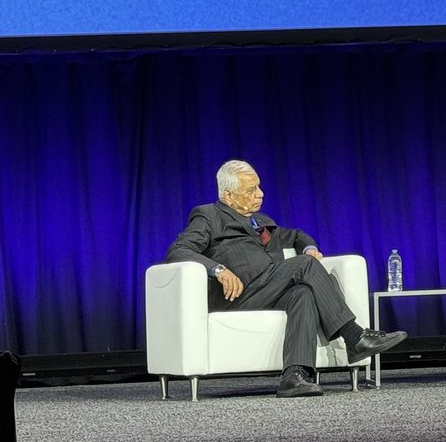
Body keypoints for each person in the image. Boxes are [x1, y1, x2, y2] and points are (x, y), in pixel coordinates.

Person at [166, 159, 408, 397]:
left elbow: (296, 235)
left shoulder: (262, 221)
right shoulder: (208, 216)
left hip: (268, 290)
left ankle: (295, 376)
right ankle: (354, 336)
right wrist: (218, 269)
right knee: (304, 266)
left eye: (259, 187)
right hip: (238, 297)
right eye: (251, 190)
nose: (260, 194)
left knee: (302, 293)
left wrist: (309, 248)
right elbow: (178, 250)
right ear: (229, 196)